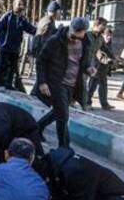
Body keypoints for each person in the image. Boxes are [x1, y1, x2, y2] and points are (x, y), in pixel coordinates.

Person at [35, 17, 95, 147]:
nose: (79, 36)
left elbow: (84, 62)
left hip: (73, 85)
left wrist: (89, 69)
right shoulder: (55, 41)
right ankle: (64, 147)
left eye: (82, 33)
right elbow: (41, 61)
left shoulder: (85, 41)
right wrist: (42, 82)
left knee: (58, 112)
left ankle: (37, 128)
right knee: (63, 116)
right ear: (71, 29)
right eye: (76, 33)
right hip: (57, 83)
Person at [0, 0, 36, 90]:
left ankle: (8, 84)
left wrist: (39, 31)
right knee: (2, 65)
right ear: (13, 5)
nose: (21, 6)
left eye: (22, 4)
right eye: (19, 4)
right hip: (5, 46)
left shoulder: (22, 19)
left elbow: (30, 29)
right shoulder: (7, 16)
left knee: (13, 67)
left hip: (15, 48)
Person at [86, 27, 116, 110]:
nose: (109, 37)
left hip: (104, 70)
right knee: (91, 87)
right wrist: (109, 60)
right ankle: (87, 103)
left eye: (110, 36)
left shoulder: (108, 43)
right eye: (107, 36)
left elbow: (110, 53)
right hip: (96, 68)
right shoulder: (99, 42)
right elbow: (100, 56)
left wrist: (114, 59)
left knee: (103, 87)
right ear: (103, 35)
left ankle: (104, 104)